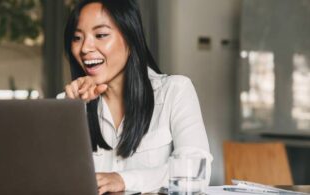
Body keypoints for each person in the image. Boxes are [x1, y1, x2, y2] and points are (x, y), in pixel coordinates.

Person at [60, 0, 213, 194]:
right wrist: (70, 114)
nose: (84, 48)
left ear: (131, 39)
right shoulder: (68, 104)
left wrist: (124, 180)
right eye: (77, 38)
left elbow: (196, 171)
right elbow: (50, 178)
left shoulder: (175, 91)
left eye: (100, 35)